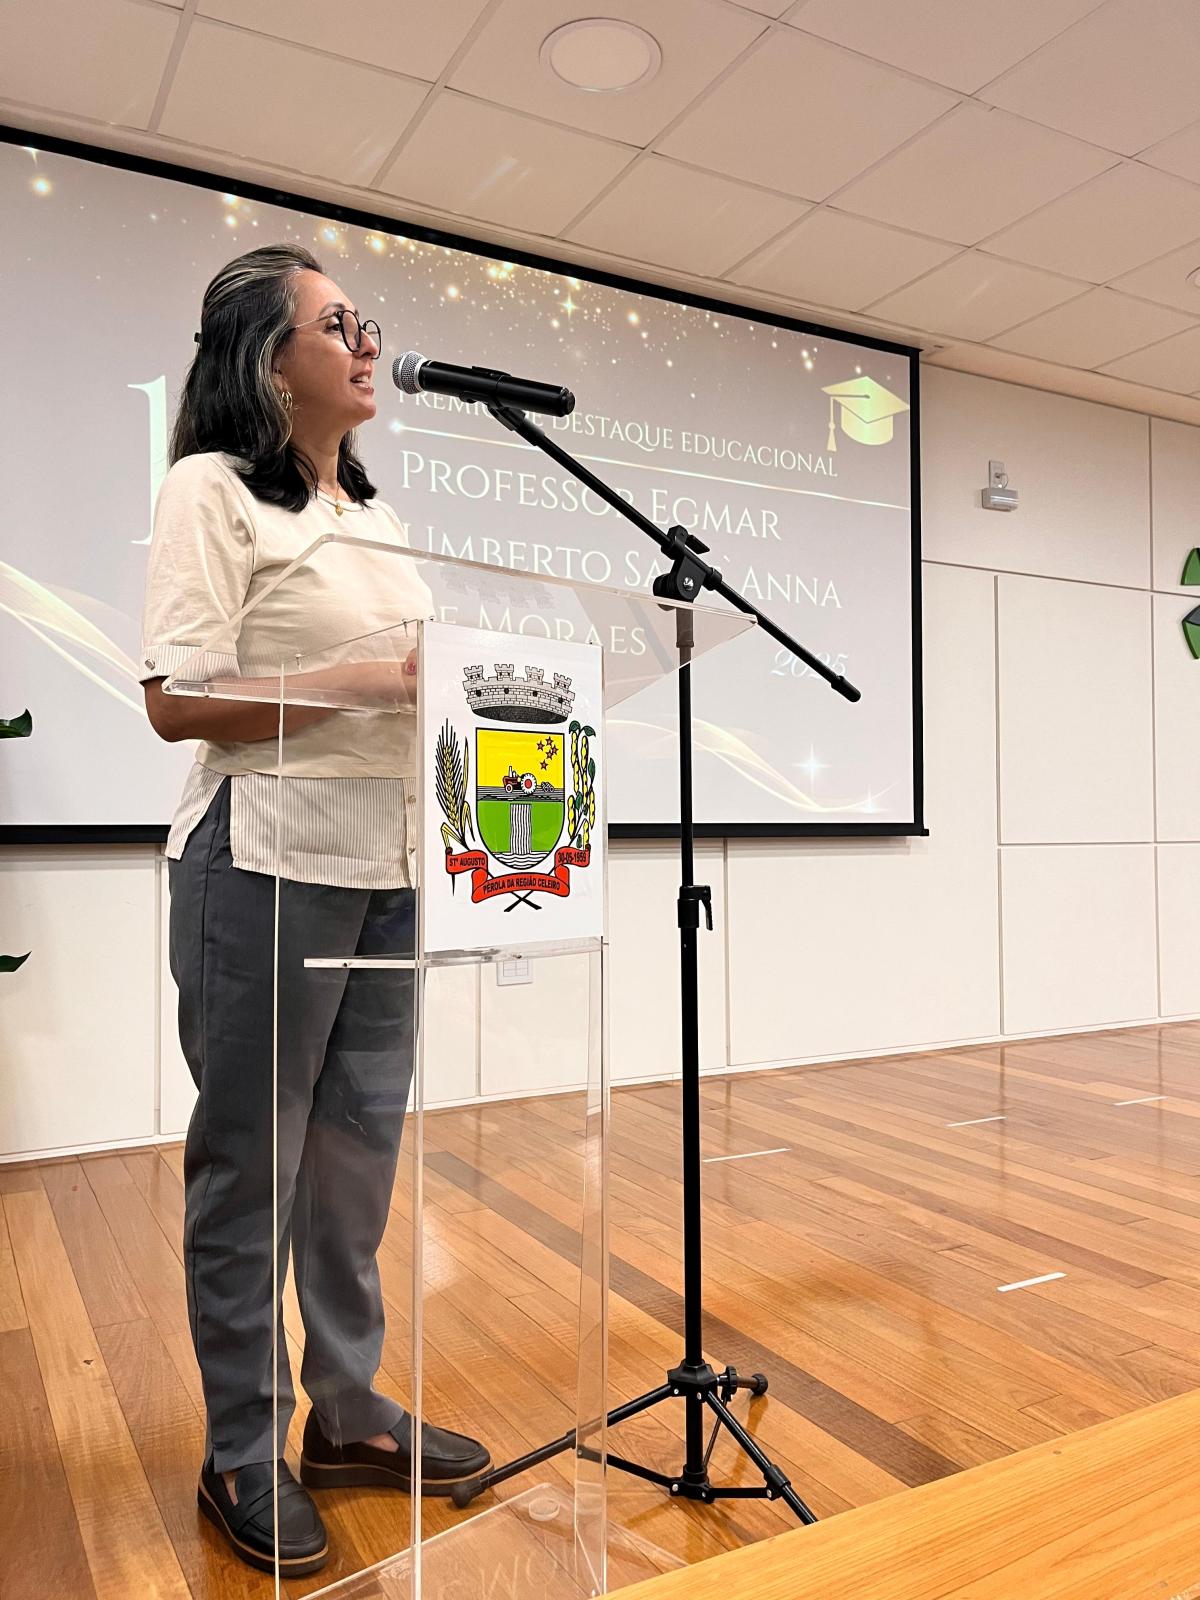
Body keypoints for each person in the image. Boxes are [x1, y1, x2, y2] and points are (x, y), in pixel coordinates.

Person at [140, 243, 490, 1579]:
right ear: (266, 360)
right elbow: (178, 697)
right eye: (338, 324)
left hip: (392, 868)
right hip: (266, 863)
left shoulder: (378, 519)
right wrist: (370, 679)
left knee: (353, 1164)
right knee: (254, 1165)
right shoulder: (212, 489)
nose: (365, 343)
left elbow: (417, 685)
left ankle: (345, 1412)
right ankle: (243, 1445)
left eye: (368, 322)